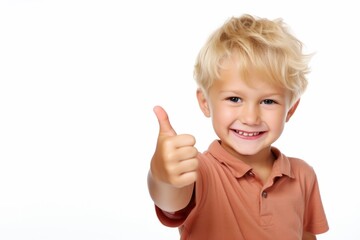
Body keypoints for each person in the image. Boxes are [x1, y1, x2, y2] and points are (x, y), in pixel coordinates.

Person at [147, 13, 329, 240]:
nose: (251, 118)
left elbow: (306, 235)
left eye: (268, 101)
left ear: (290, 110)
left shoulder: (303, 176)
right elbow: (170, 198)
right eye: (234, 99)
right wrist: (162, 176)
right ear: (205, 103)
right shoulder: (201, 170)